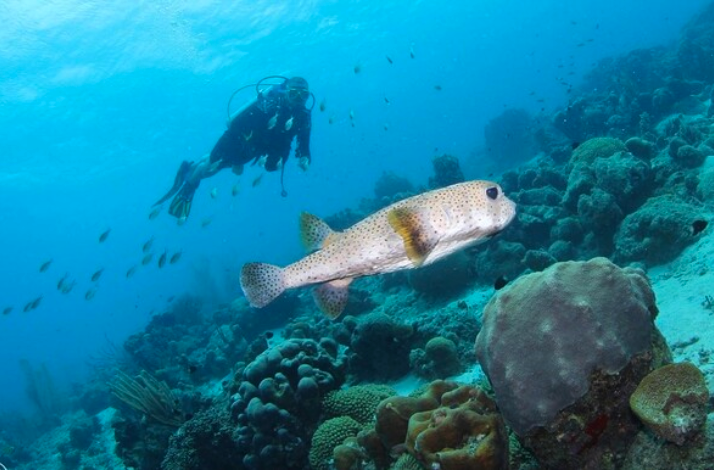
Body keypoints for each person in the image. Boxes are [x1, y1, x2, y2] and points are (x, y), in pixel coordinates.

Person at [154, 76, 313, 219]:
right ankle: (190, 184)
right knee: (211, 167)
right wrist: (237, 160)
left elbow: (304, 141)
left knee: (264, 166)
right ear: (286, 92)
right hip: (237, 140)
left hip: (258, 148)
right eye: (293, 93)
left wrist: (304, 157)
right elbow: (235, 124)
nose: (298, 99)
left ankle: (190, 167)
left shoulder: (304, 116)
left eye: (303, 95)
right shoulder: (268, 104)